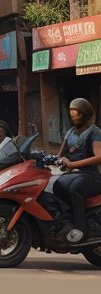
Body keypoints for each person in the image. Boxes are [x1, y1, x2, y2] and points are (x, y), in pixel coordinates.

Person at [53, 98, 101, 243]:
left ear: (85, 114)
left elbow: (99, 157)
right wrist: (57, 160)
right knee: (55, 185)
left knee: (75, 188)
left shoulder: (94, 131)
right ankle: (65, 222)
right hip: (74, 173)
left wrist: (74, 164)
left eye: (77, 115)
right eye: (72, 115)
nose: (74, 118)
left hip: (92, 175)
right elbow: (60, 154)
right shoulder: (70, 132)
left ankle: (81, 230)